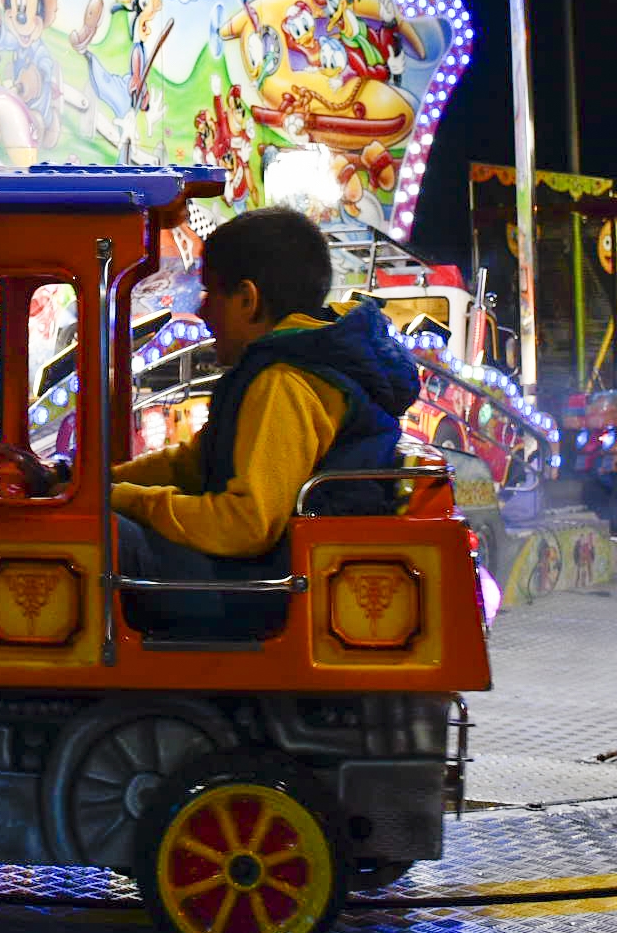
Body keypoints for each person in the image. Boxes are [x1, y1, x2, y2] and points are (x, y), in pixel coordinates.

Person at [108, 207, 419, 635]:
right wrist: (101, 485)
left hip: (263, 590)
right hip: (266, 574)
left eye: (210, 293)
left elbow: (246, 525)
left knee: (106, 537)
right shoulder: (292, 362)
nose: (201, 309)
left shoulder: (284, 381)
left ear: (248, 300)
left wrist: (124, 501)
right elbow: (194, 464)